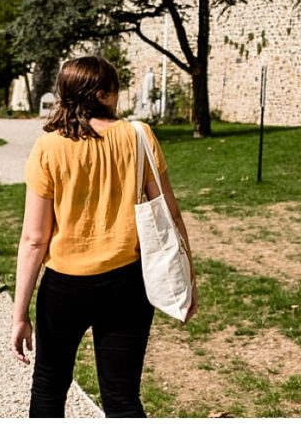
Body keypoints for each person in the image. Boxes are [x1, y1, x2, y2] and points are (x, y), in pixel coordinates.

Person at [12, 55, 197, 418]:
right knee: (122, 396)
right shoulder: (138, 136)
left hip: (64, 287)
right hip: (127, 282)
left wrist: (20, 314)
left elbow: (35, 238)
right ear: (103, 93)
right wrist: (187, 275)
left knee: (49, 386)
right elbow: (170, 214)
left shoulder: (48, 147)